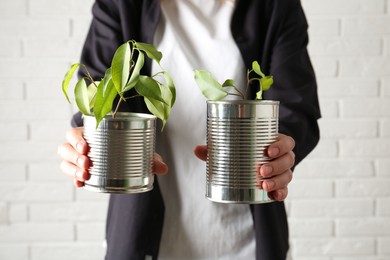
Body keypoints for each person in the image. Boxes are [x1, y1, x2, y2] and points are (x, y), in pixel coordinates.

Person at [57, 0, 320, 259]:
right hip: (142, 238)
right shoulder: (121, 5)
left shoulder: (276, 6)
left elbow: (295, 109)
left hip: (249, 240)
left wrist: (278, 151)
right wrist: (88, 142)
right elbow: (97, 98)